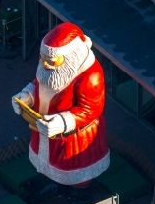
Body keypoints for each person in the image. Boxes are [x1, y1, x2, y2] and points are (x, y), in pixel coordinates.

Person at [11, 22, 110, 186]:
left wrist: (63, 122)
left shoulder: (90, 75)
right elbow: (39, 83)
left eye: (53, 61)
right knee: (50, 165)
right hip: (46, 129)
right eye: (43, 58)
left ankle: (81, 193)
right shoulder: (51, 68)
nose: (46, 64)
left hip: (74, 137)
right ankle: (53, 183)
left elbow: (91, 108)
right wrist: (26, 96)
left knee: (76, 174)